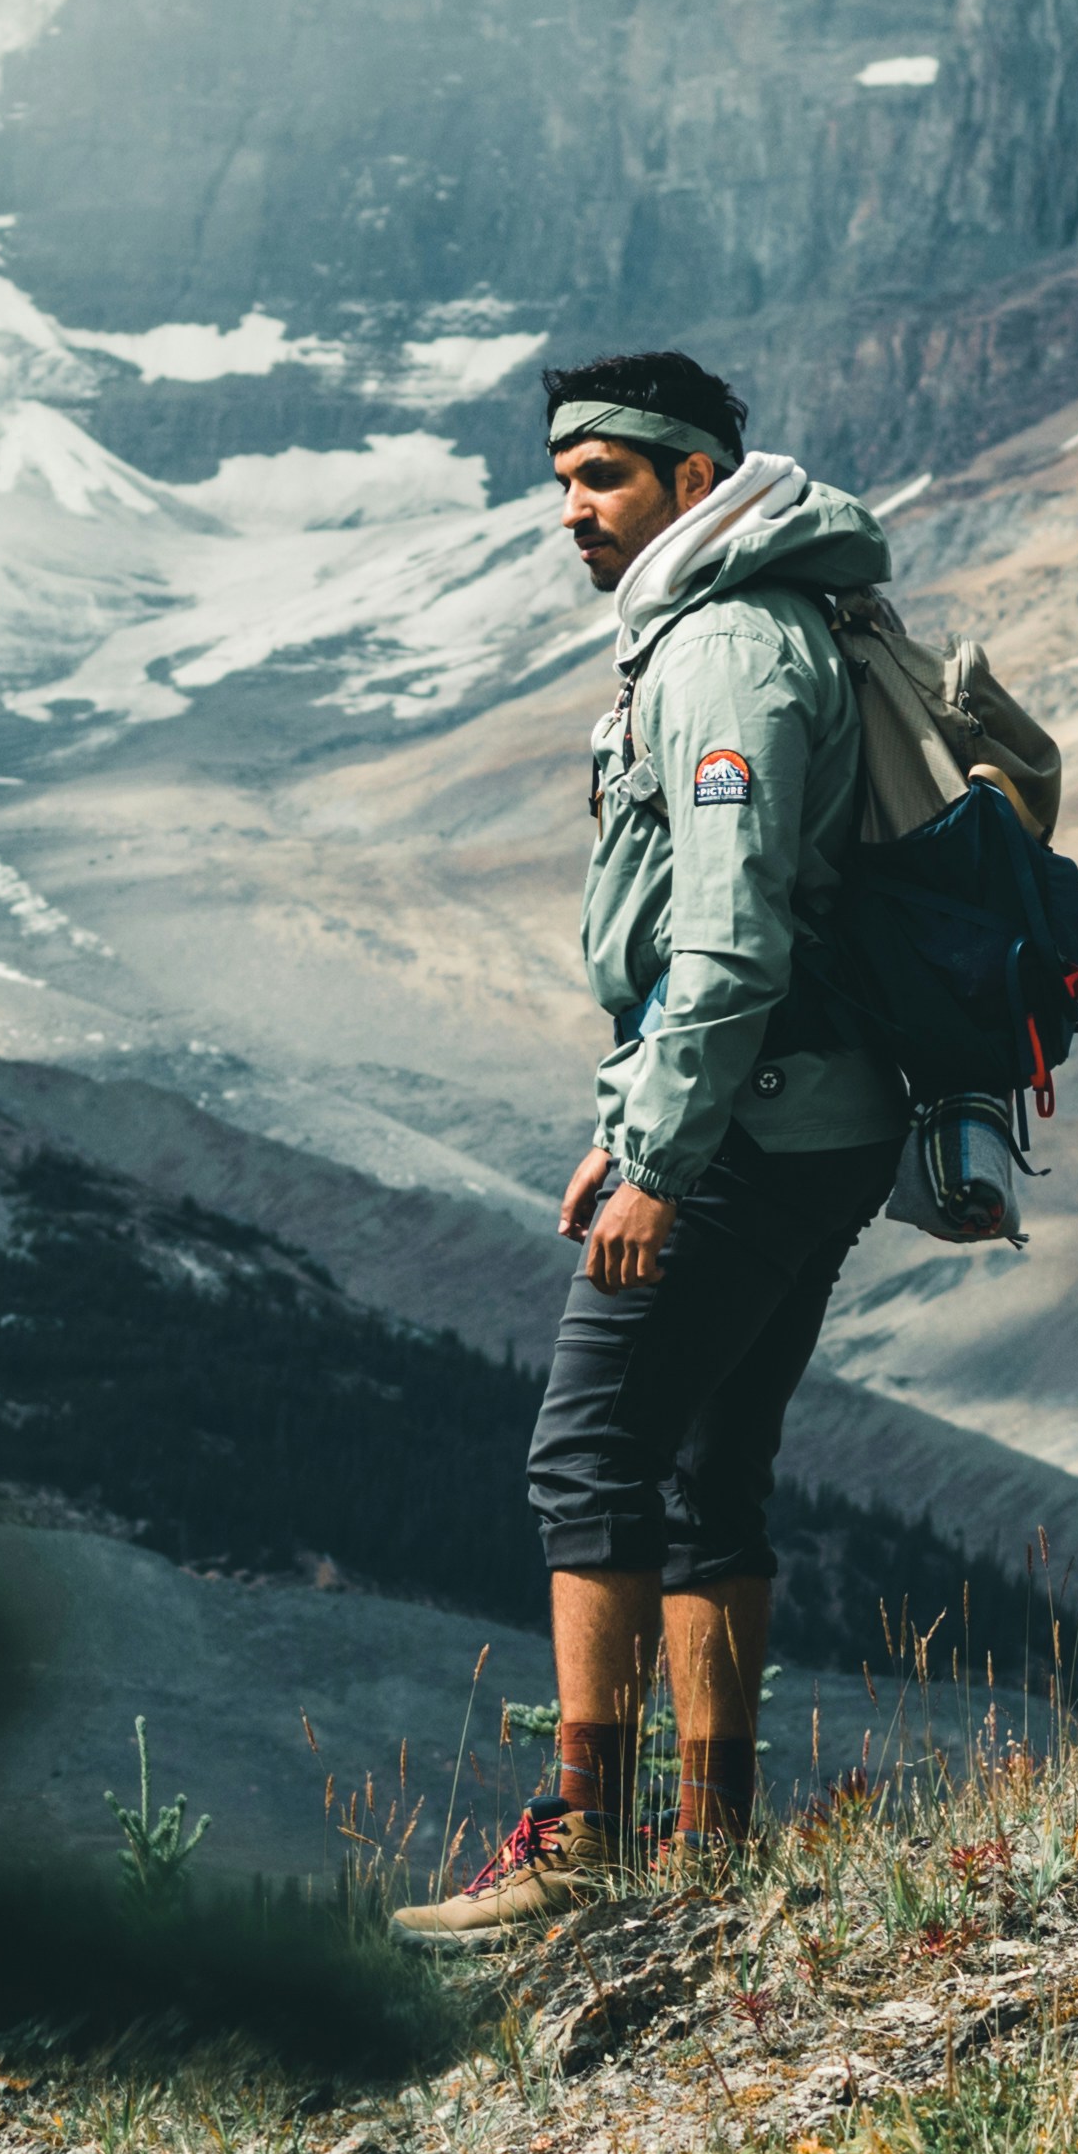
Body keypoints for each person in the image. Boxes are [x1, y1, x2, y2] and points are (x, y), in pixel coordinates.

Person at [397, 350, 907, 1945]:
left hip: (751, 1133)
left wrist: (661, 1164)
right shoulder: (739, 625)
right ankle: (713, 1839)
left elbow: (732, 943)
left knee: (587, 1451)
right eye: (561, 481)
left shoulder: (730, 653)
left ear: (697, 482)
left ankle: (583, 1837)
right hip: (794, 1116)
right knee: (707, 1466)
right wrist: (623, 1128)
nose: (573, 511)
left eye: (604, 477)